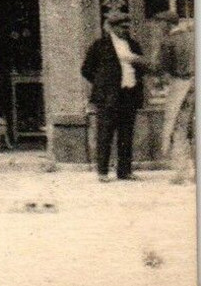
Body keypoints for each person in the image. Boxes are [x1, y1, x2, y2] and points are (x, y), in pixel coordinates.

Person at [81, 11, 151, 182]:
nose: (124, 30)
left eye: (127, 27)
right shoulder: (100, 46)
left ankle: (125, 171)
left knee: (126, 134)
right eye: (120, 27)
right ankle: (103, 172)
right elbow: (86, 69)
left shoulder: (133, 45)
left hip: (129, 94)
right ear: (111, 28)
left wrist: (135, 75)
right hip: (108, 97)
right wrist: (102, 85)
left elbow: (142, 68)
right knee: (105, 134)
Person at [156, 12, 195, 184]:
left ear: (167, 24)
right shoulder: (193, 37)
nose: (159, 27)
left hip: (180, 86)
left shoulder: (168, 41)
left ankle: (181, 174)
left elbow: (160, 68)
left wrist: (135, 60)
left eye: (161, 24)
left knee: (178, 129)